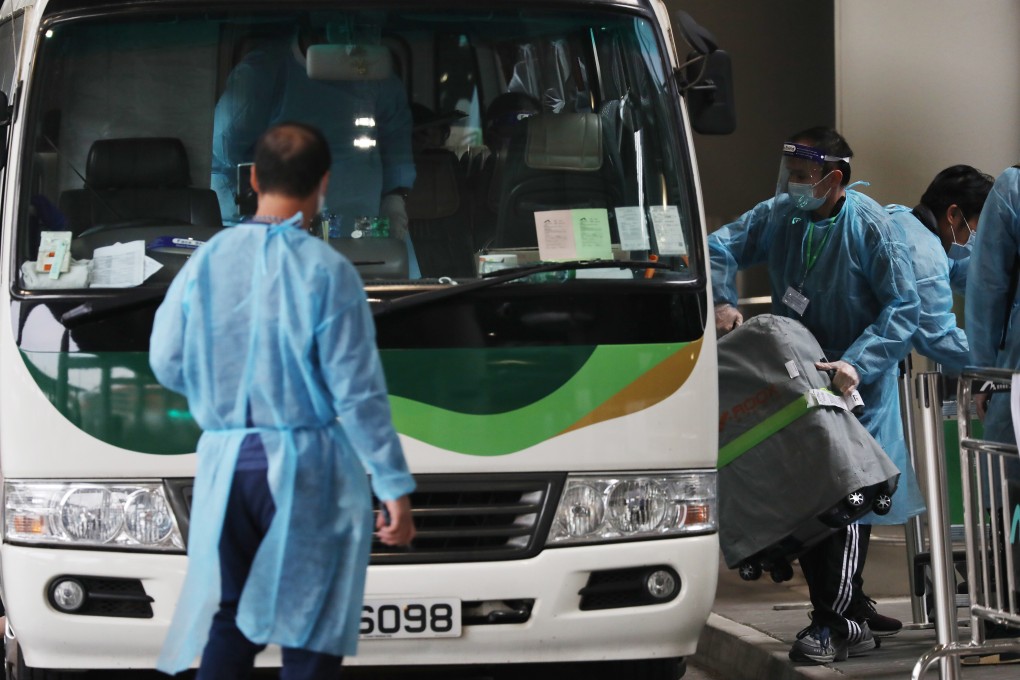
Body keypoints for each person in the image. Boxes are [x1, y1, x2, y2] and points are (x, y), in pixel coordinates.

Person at [151, 122, 416, 679]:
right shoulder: (329, 271)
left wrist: (222, 397)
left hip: (227, 469)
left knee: (230, 619)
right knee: (310, 625)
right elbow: (359, 392)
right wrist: (392, 486)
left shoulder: (206, 260)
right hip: (305, 471)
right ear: (324, 183)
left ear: (251, 178)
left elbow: (167, 360)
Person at [710, 127, 922, 664]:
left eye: (804, 178)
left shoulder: (872, 227)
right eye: (791, 176)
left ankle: (835, 621)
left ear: (835, 179)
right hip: (798, 381)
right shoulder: (781, 214)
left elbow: (903, 308)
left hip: (855, 383)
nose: (794, 187)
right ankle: (849, 605)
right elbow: (718, 247)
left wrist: (858, 362)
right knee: (806, 492)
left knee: (845, 495)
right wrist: (721, 301)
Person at [211, 11, 420, 276]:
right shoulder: (264, 72)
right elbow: (224, 151)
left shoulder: (375, 73)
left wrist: (395, 197)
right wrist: (243, 226)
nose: (357, 42)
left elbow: (397, 135)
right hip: (286, 233)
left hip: (369, 233)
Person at [885, 165, 994, 374]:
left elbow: (973, 279)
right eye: (976, 229)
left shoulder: (905, 218)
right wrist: (998, 359)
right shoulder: (925, 254)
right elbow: (938, 336)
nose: (977, 240)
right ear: (953, 214)